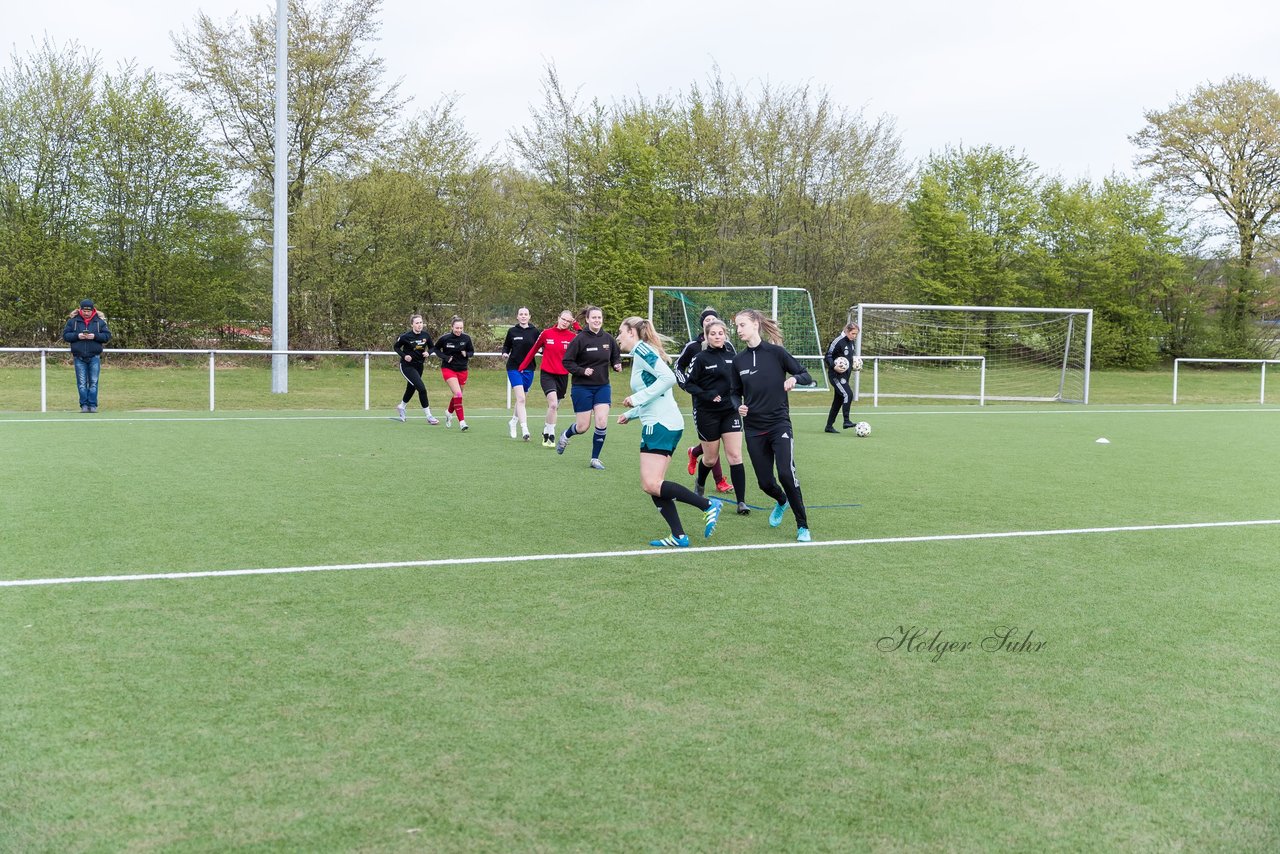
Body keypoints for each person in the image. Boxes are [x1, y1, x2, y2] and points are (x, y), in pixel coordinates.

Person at [616, 316, 723, 548]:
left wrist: (635, 399)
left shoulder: (642, 349)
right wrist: (632, 413)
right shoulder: (641, 353)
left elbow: (669, 378)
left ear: (632, 333)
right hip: (664, 421)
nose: (618, 337)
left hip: (660, 424)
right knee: (654, 483)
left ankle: (707, 505)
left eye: (620, 332)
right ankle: (678, 536)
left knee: (650, 484)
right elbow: (658, 391)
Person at [729, 308, 815, 543]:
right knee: (765, 482)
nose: (738, 330)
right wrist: (738, 406)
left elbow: (807, 375)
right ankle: (781, 501)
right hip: (754, 429)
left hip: (779, 424)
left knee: (787, 474)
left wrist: (794, 378)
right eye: (736, 326)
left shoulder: (777, 353)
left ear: (755, 324)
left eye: (742, 325)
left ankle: (802, 526)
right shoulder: (738, 360)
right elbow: (734, 393)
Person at [683, 318, 750, 514]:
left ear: (725, 335)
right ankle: (700, 484)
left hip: (730, 412)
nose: (717, 336)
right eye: (713, 334)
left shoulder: (733, 357)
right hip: (707, 413)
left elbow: (741, 382)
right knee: (710, 460)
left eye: (720, 333)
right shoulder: (701, 358)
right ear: (706, 336)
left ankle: (741, 502)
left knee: (736, 456)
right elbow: (689, 384)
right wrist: (708, 395)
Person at [674, 307, 735, 493]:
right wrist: (688, 386)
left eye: (713, 319)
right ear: (702, 324)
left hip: (726, 404)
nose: (710, 322)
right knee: (712, 446)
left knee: (716, 442)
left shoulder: (728, 346)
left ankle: (694, 452)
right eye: (707, 320)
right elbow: (678, 367)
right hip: (702, 400)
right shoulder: (693, 346)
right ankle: (719, 481)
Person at [557, 305, 622, 469]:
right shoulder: (579, 339)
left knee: (601, 421)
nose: (597, 320)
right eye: (594, 317)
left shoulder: (608, 338)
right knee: (583, 427)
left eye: (599, 318)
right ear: (587, 319)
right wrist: (581, 370)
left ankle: (595, 458)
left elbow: (616, 355)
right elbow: (567, 362)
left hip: (602, 387)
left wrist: (617, 364)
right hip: (582, 388)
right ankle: (566, 435)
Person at [520, 309, 578, 447]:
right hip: (547, 374)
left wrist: (576, 325)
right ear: (558, 318)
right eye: (563, 319)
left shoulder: (573, 337)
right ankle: (551, 434)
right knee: (552, 404)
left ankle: (546, 428)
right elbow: (533, 350)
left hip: (563, 376)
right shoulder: (546, 333)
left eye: (568, 321)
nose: (565, 322)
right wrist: (522, 367)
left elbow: (584, 336)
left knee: (555, 407)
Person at [63, 298, 111, 412]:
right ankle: (84, 405)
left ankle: (93, 405)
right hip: (78, 357)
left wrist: (94, 336)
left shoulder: (100, 322)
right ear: (80, 310)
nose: (86, 313)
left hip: (94, 357)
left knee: (93, 382)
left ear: (92, 310)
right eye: (84, 311)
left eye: (88, 311)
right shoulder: (72, 321)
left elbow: (107, 337)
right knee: (81, 383)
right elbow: (65, 336)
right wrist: (77, 336)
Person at [501, 307, 541, 441]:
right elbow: (506, 346)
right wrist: (505, 353)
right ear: (517, 317)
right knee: (521, 399)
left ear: (529, 317)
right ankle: (525, 429)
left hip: (529, 368)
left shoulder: (535, 331)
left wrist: (543, 351)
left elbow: (541, 347)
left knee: (522, 400)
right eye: (521, 314)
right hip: (514, 367)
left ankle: (513, 421)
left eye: (525, 314)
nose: (523, 316)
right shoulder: (512, 331)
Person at [393, 313, 440, 424]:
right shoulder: (405, 337)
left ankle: (401, 406)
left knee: (412, 388)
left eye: (421, 322)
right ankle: (429, 416)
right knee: (421, 388)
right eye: (417, 323)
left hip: (419, 365)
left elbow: (433, 347)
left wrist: (428, 352)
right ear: (412, 325)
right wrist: (404, 356)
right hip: (407, 366)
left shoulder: (425, 335)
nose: (419, 325)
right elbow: (396, 347)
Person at [435, 315, 475, 431]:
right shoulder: (445, 338)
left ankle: (448, 412)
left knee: (458, 395)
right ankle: (462, 422)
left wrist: (466, 354)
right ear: (452, 327)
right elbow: (436, 349)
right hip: (448, 369)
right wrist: (445, 357)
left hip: (462, 369)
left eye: (461, 328)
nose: (459, 330)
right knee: (458, 394)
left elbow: (471, 352)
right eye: (457, 328)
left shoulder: (466, 338)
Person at [824, 321, 860, 433]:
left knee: (838, 401)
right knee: (848, 394)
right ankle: (846, 421)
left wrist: (854, 364)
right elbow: (828, 356)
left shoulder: (851, 342)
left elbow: (847, 358)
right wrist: (834, 366)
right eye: (853, 333)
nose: (854, 336)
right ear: (847, 331)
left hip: (845, 376)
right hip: (835, 375)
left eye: (856, 334)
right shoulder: (838, 341)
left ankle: (829, 426)